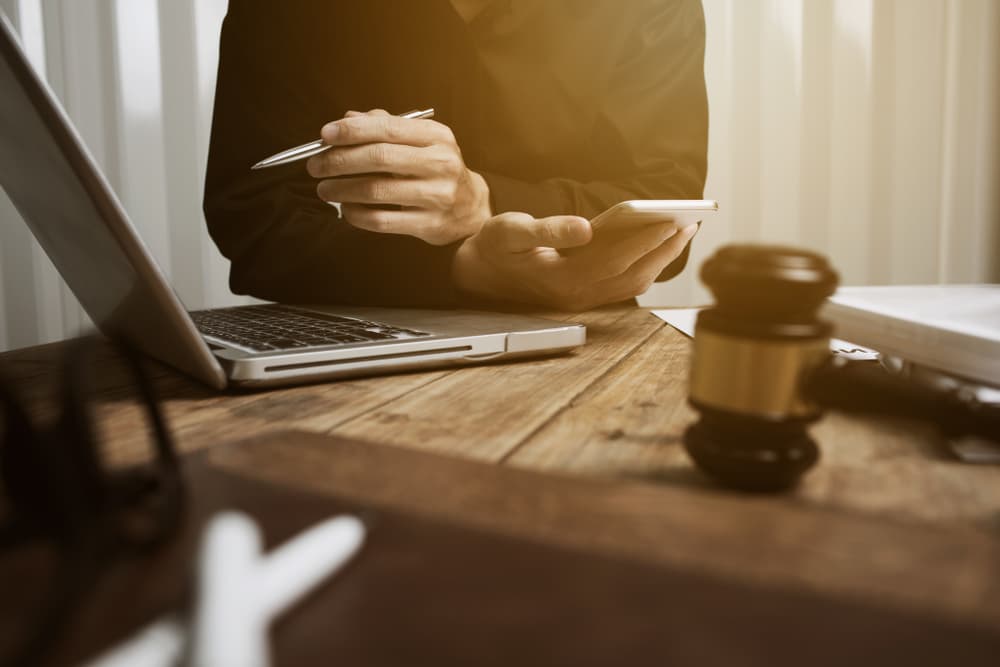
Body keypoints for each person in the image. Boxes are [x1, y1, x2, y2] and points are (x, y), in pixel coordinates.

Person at [204, 0, 708, 311]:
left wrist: (483, 204)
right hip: (359, 329)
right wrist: (461, 268)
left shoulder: (647, 6)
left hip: (585, 343)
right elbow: (255, 222)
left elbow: (666, 211)